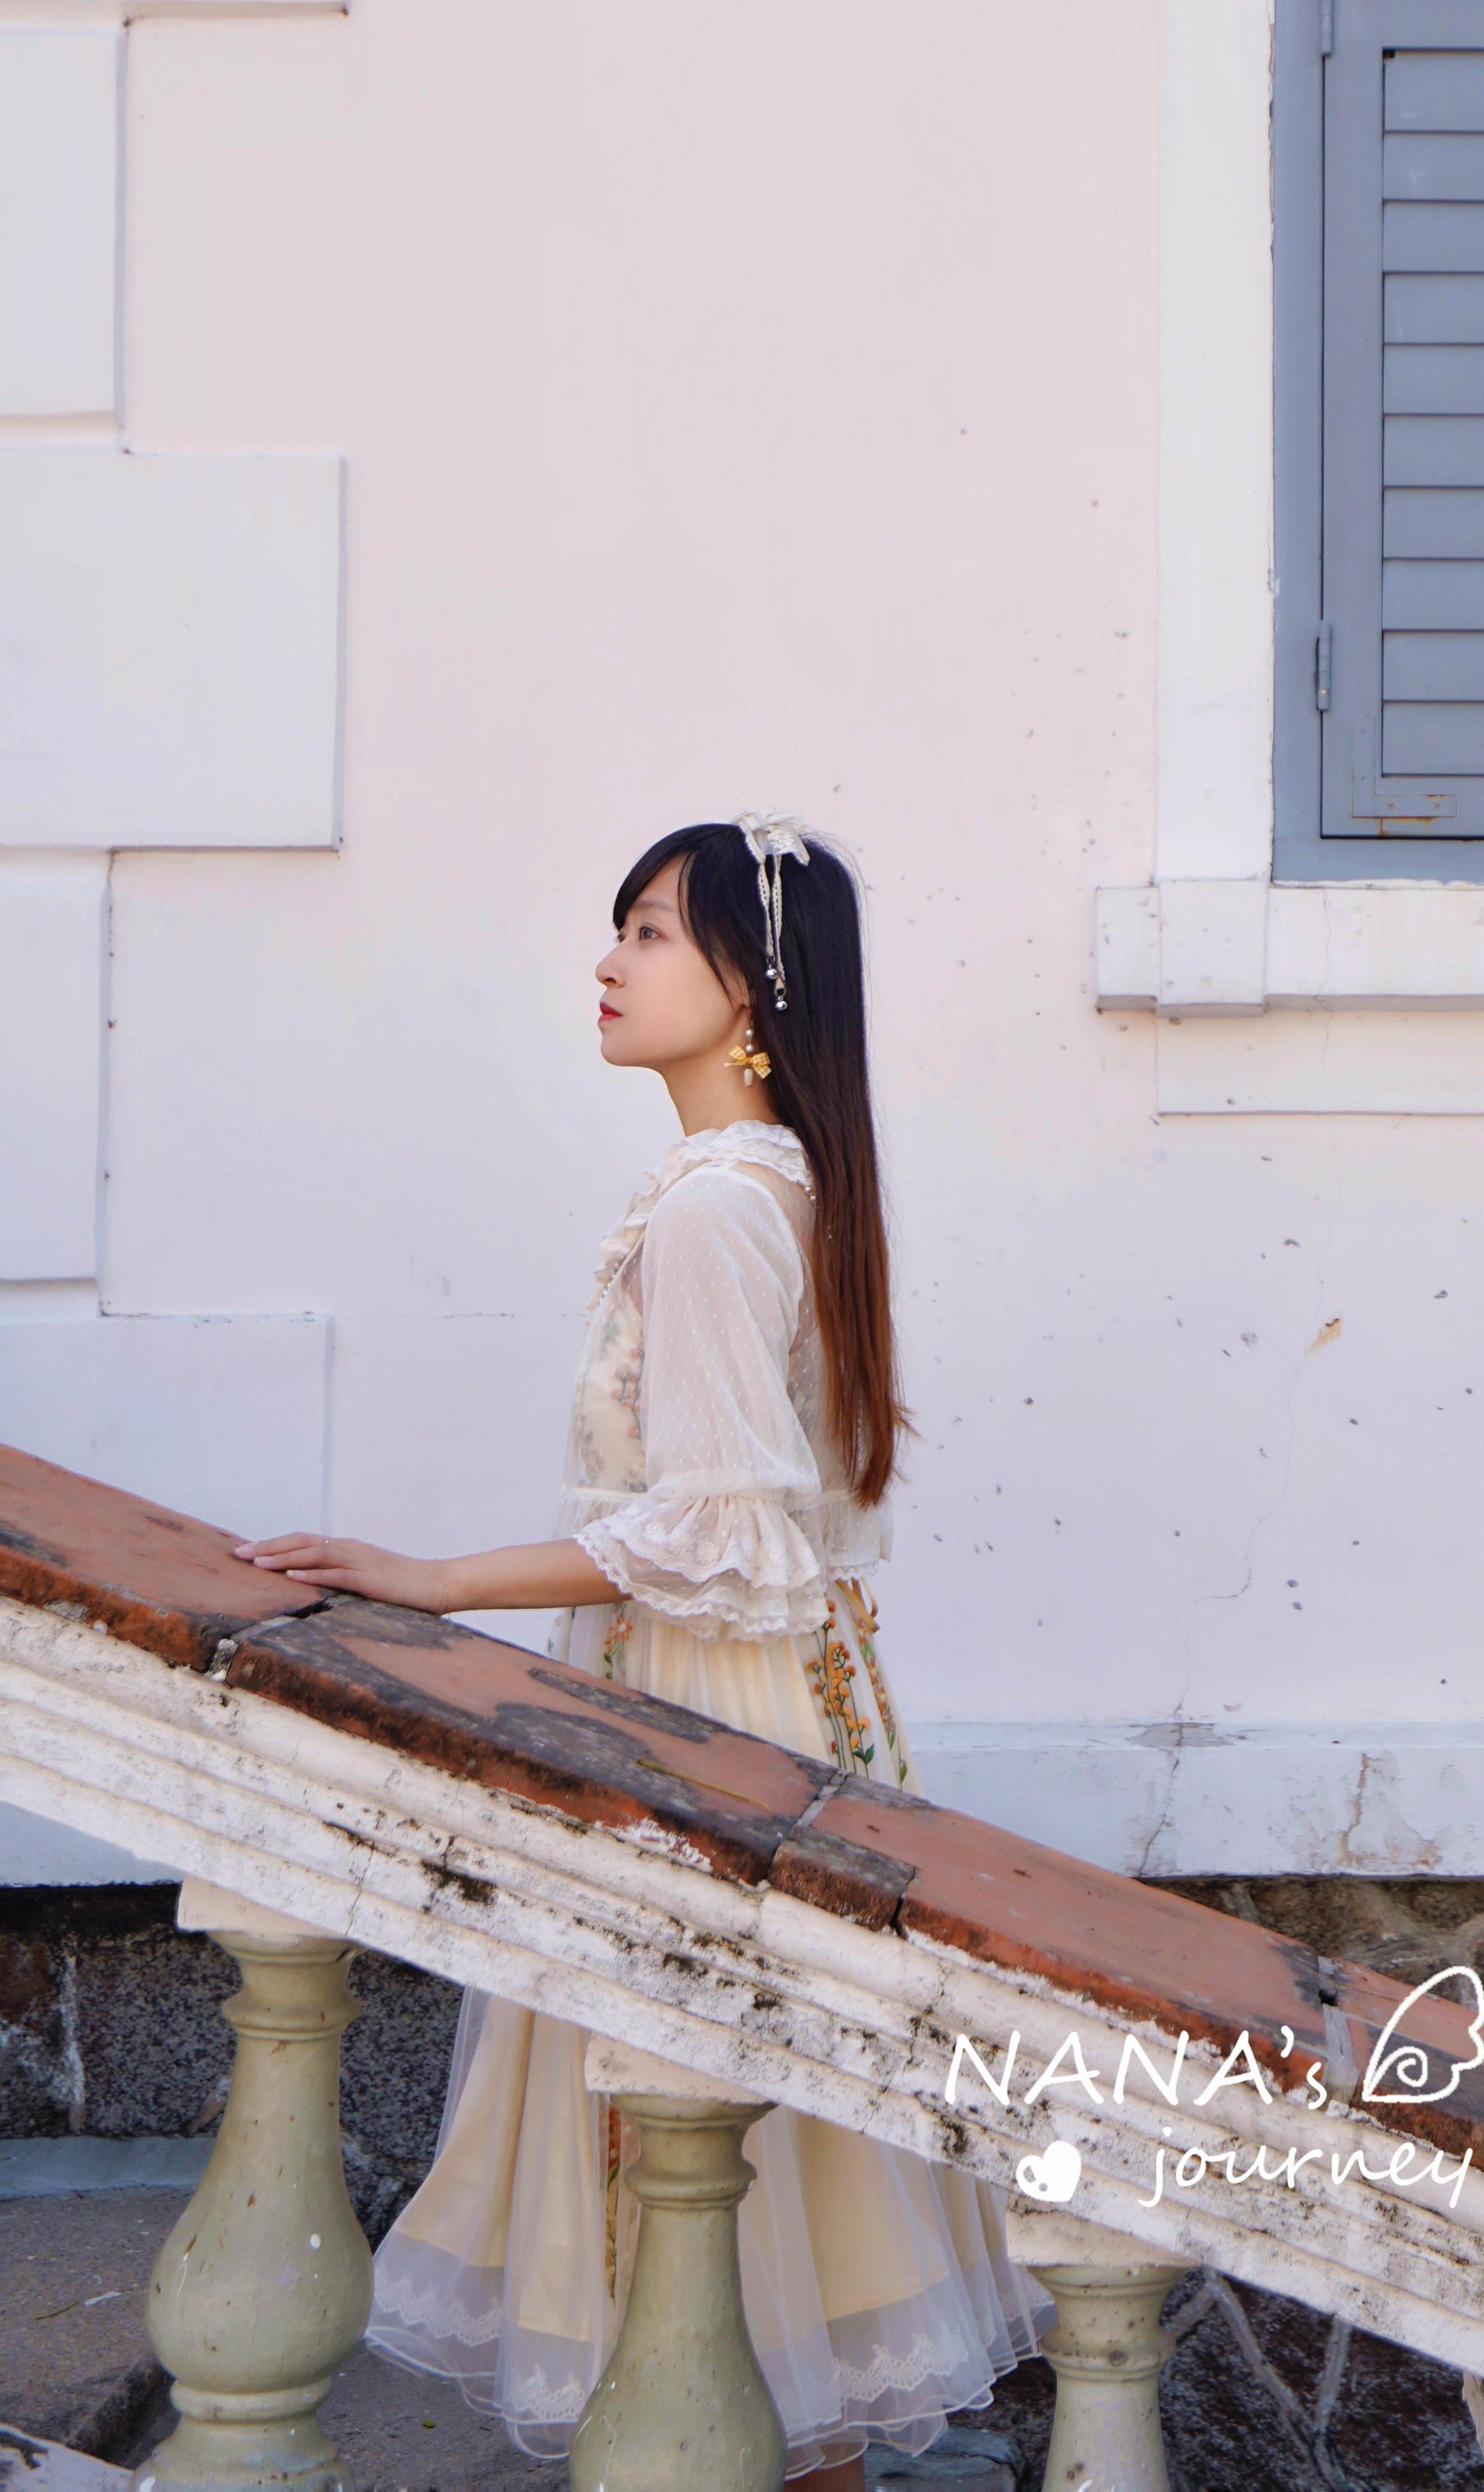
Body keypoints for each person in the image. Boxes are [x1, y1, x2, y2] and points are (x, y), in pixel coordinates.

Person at [235, 816, 1053, 2487]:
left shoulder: (720, 1206)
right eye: (621, 926)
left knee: (696, 2171)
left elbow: (717, 1526)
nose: (609, 962)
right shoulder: (778, 1183)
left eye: (654, 932)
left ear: (753, 982)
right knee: (768, 2191)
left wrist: (436, 1576)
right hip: (783, 1694)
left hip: (701, 1705)